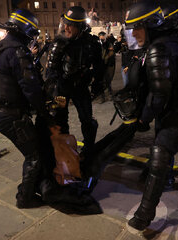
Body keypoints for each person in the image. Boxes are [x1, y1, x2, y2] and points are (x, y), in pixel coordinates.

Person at [124, 1, 178, 230]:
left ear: (151, 26)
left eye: (138, 27)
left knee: (160, 152)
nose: (133, 33)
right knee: (168, 144)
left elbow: (159, 93)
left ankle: (144, 214)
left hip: (173, 109)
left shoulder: (159, 48)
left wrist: (144, 117)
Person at [0, 9, 54, 209]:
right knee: (34, 155)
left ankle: (29, 187)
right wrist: (44, 111)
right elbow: (30, 87)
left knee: (31, 150)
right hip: (11, 116)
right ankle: (25, 198)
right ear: (25, 33)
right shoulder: (17, 51)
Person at [45, 6, 103, 161]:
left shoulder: (93, 43)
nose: (66, 27)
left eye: (70, 25)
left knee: (87, 120)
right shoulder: (59, 43)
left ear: (80, 26)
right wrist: (54, 93)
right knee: (60, 120)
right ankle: (65, 150)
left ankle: (89, 148)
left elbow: (99, 67)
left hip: (81, 86)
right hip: (62, 87)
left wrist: (98, 84)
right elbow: (50, 71)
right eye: (65, 23)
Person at [98, 31, 115, 103]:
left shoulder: (108, 43)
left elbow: (111, 52)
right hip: (100, 65)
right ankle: (102, 96)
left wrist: (106, 58)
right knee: (100, 81)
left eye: (103, 36)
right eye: (100, 36)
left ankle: (110, 94)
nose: (102, 38)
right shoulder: (97, 44)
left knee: (108, 80)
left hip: (108, 64)